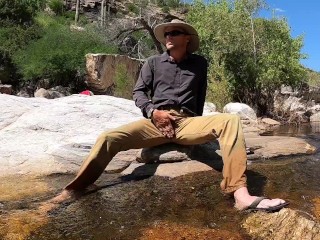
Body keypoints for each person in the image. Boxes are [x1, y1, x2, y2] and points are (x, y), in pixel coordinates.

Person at [54, 19, 288, 212]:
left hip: (187, 122)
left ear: (187, 39)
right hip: (156, 120)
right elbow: (138, 93)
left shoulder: (199, 64)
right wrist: (153, 112)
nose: (168, 36)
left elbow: (199, 94)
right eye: (166, 33)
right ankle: (73, 189)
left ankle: (240, 194)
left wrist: (199, 130)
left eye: (174, 33)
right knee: (108, 137)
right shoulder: (153, 63)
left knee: (230, 120)